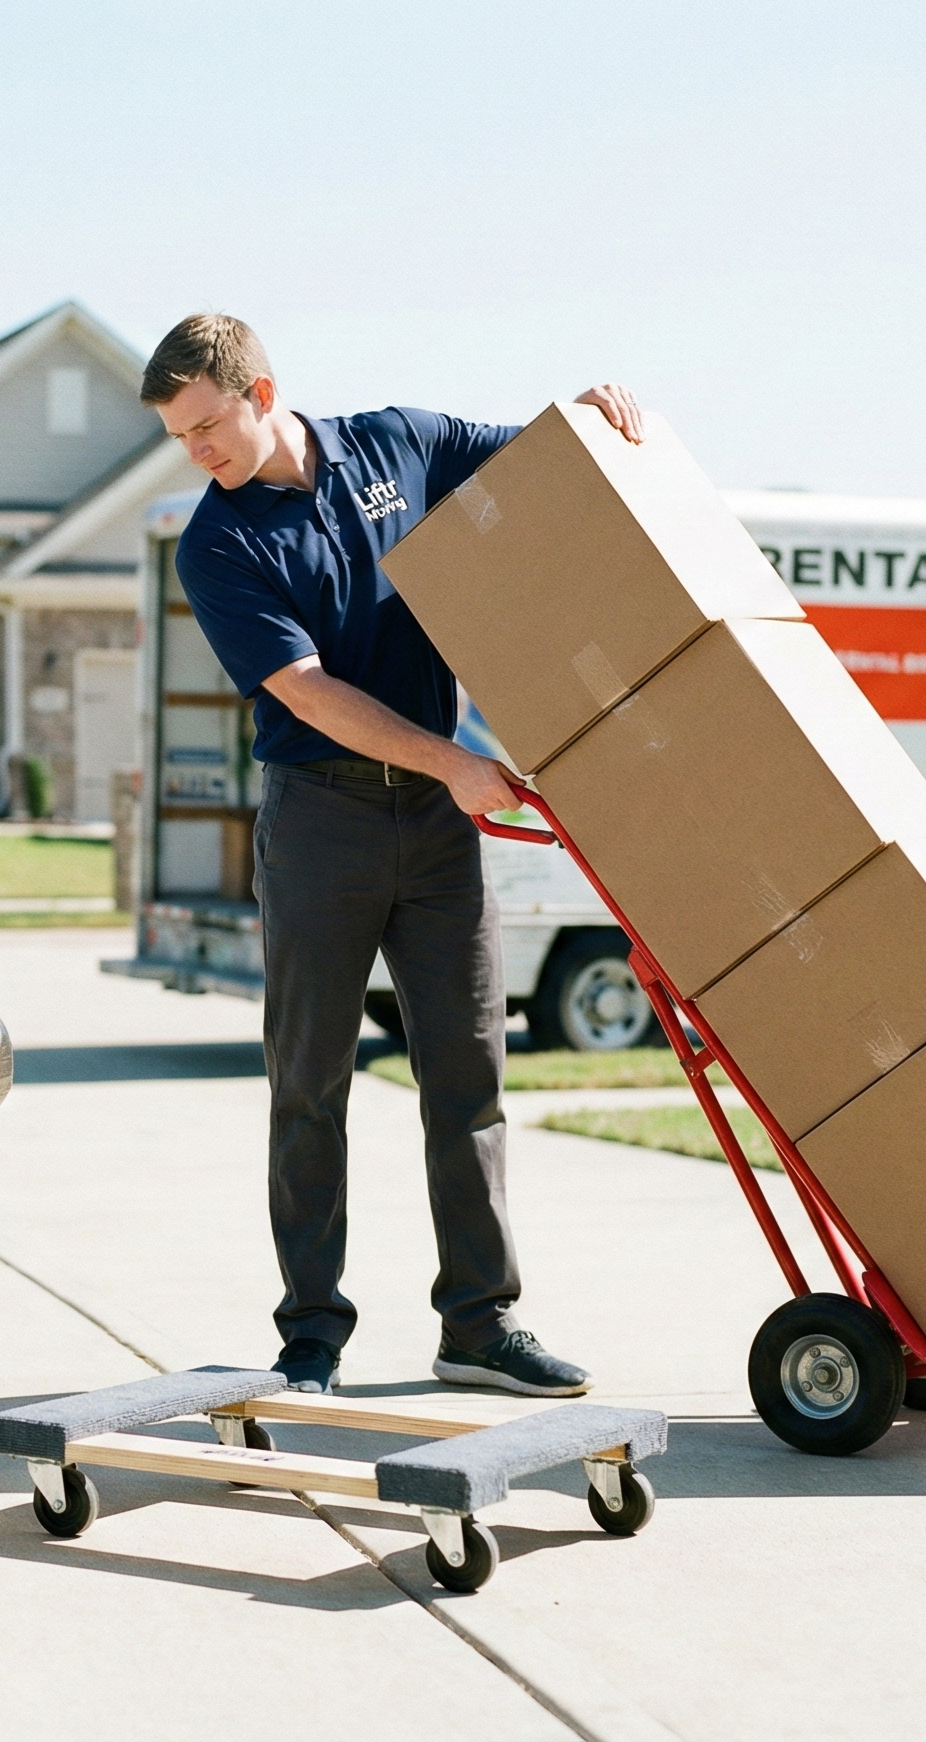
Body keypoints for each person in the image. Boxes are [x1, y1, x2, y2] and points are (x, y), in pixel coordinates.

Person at [143, 313, 645, 1397]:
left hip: (438, 828)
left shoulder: (397, 443)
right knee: (310, 1082)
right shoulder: (218, 543)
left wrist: (586, 414)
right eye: (181, 438)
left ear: (262, 391)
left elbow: (527, 452)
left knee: (468, 1077)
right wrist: (454, 761)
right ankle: (311, 1336)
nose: (200, 453)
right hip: (319, 820)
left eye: (208, 425)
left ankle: (480, 1322)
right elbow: (309, 693)